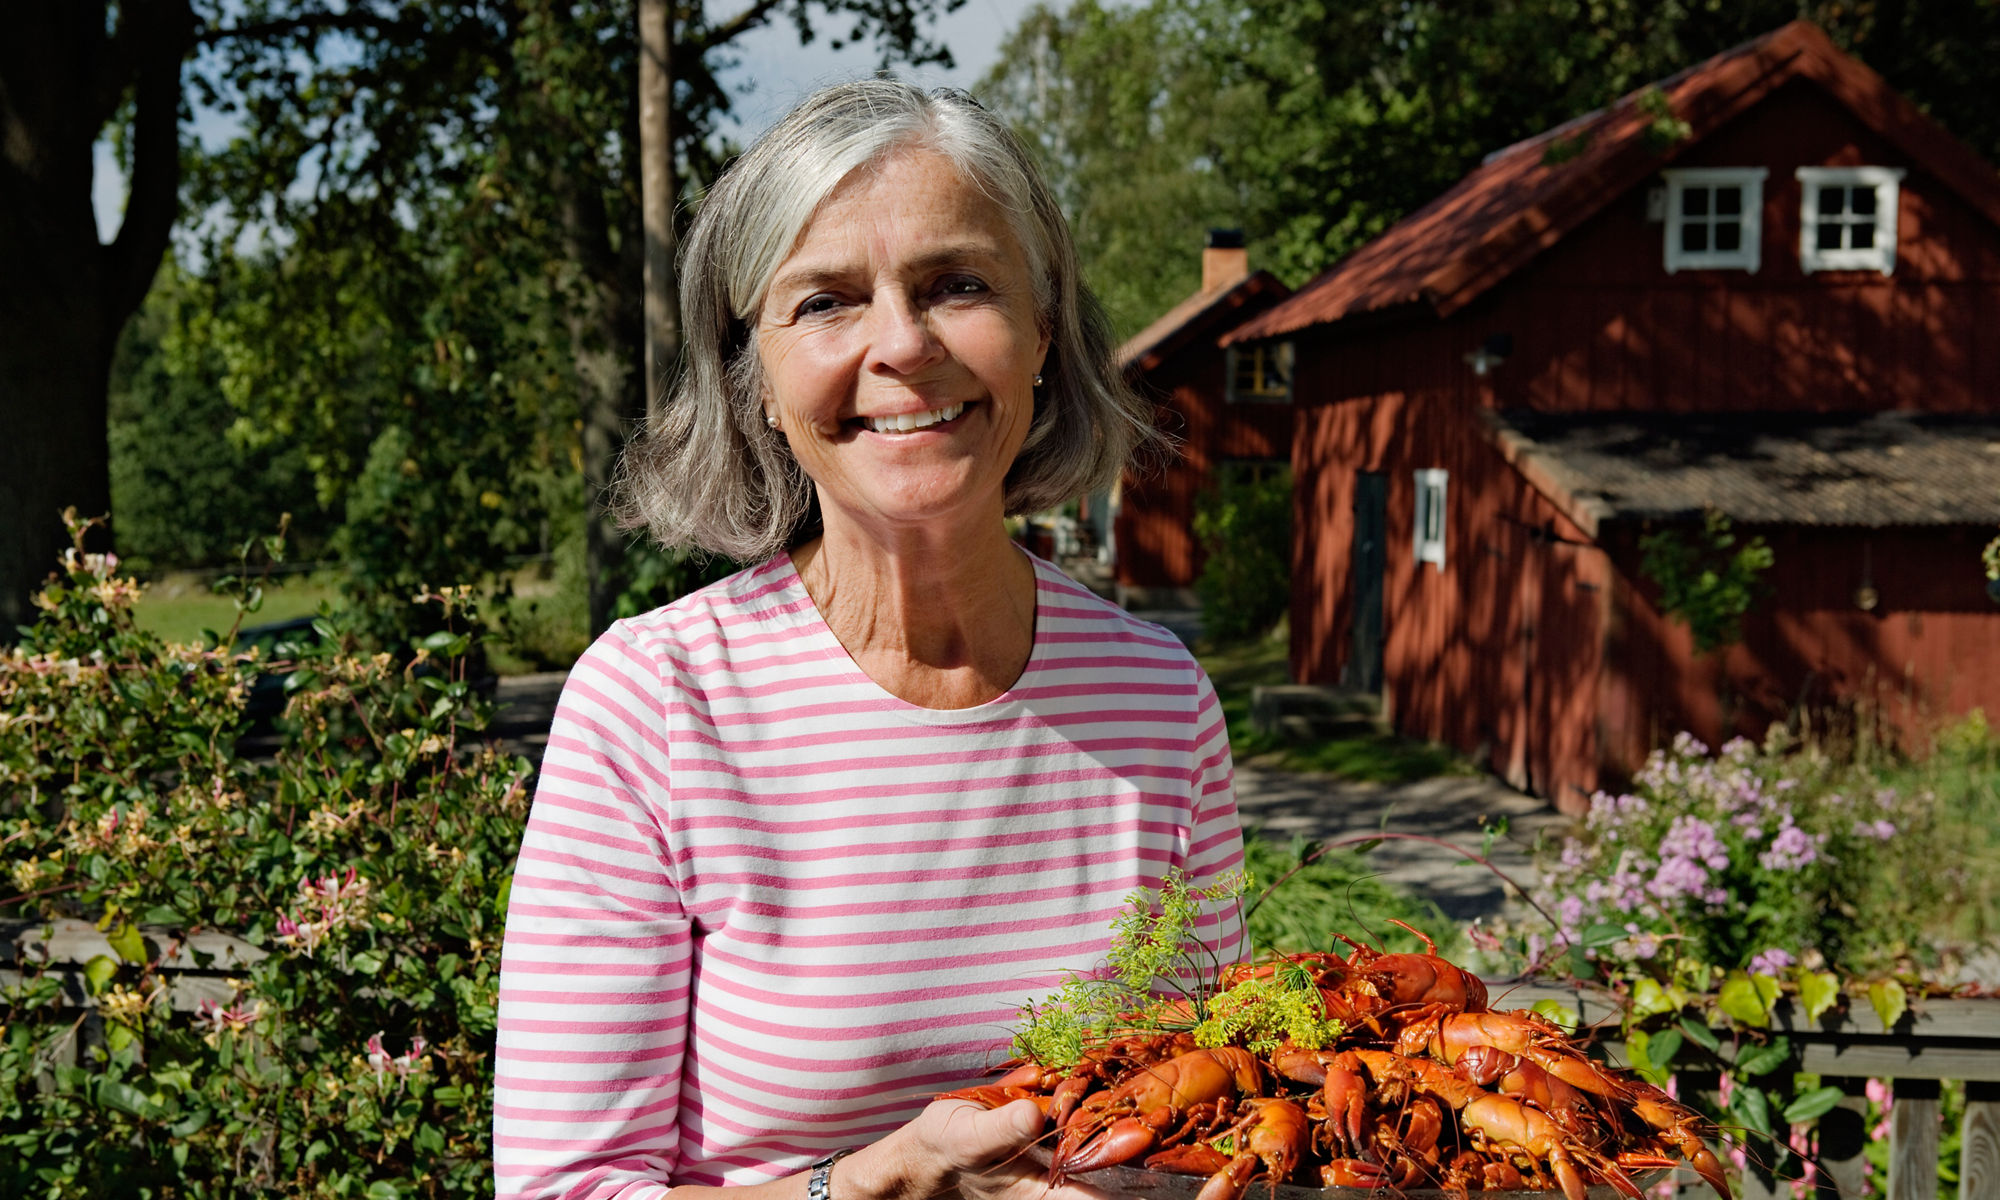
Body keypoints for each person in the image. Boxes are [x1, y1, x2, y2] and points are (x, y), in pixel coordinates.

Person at [492, 80, 1246, 1200]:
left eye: (957, 284)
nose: (902, 344)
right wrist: (875, 1185)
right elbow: (564, 1188)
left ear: (1040, 334)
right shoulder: (657, 703)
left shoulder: (1157, 699)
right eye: (826, 302)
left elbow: (1223, 1104)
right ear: (754, 378)